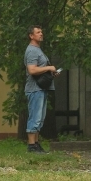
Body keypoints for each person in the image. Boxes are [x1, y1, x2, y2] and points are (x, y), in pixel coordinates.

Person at [24, 25, 60, 153]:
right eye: (38, 32)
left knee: (40, 117)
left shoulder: (38, 50)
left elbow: (39, 69)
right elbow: (32, 70)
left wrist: (51, 73)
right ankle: (31, 145)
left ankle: (36, 144)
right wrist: (49, 68)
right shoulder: (32, 51)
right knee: (35, 116)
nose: (41, 34)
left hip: (41, 88)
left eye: (41, 31)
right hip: (35, 89)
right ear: (31, 36)